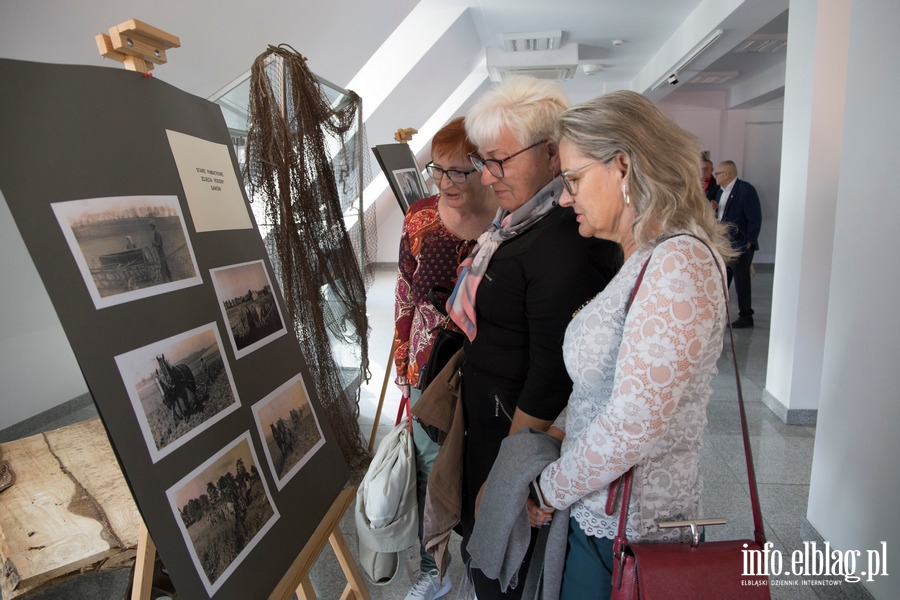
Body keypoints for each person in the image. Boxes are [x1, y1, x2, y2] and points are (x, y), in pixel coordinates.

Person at [523, 90, 735, 600]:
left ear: (623, 166)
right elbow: (613, 380)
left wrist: (547, 487)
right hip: (604, 515)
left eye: (573, 179)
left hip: (634, 534)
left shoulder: (679, 264)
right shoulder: (646, 257)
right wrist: (560, 430)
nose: (566, 197)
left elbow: (634, 423)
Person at [448, 75, 622, 600]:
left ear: (551, 154)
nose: (489, 174)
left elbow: (552, 374)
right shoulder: (518, 221)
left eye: (501, 160)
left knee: (508, 559)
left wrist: (505, 476)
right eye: (484, 160)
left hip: (519, 434)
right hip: (496, 419)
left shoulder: (567, 239)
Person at [393, 116, 498, 600]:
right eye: (439, 170)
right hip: (426, 365)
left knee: (481, 466)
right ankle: (430, 569)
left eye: (459, 171)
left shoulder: (507, 221)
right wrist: (402, 361)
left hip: (484, 368)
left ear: (485, 167)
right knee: (425, 466)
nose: (445, 183)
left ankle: (482, 566)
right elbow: (404, 296)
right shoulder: (420, 218)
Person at [714, 160, 761, 328]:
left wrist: (750, 241)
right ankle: (719, 315)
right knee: (723, 280)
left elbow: (755, 217)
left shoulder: (745, 190)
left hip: (740, 244)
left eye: (717, 173)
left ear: (726, 175)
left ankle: (746, 316)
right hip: (726, 244)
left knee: (742, 282)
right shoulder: (721, 193)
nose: (715, 176)